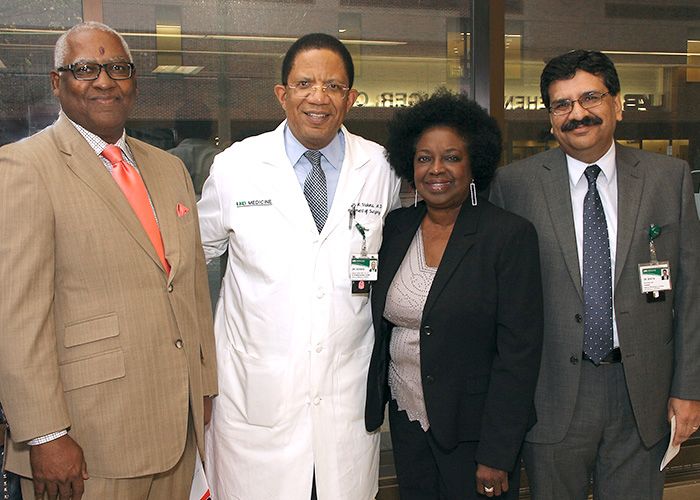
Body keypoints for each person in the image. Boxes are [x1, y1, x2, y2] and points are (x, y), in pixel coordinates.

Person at [0, 21, 217, 500]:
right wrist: (46, 435)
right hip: (86, 441)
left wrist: (203, 388)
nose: (104, 81)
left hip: (177, 431)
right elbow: (16, 319)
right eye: (85, 69)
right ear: (57, 83)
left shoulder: (170, 168)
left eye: (118, 68)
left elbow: (191, 288)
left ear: (134, 81)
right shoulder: (23, 169)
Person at [197, 33, 401, 499]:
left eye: (333, 86)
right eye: (305, 83)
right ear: (282, 93)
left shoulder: (381, 168)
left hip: (344, 404)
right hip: (255, 403)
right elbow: (192, 261)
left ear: (350, 98)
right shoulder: (236, 167)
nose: (318, 96)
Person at [490, 50, 700, 499]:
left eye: (590, 98)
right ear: (550, 118)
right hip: (551, 394)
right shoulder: (515, 185)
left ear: (617, 104)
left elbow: (692, 293)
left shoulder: (668, 178)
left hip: (642, 392)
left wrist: (688, 388)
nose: (577, 114)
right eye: (562, 104)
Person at [365, 89, 544, 499]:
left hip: (475, 435)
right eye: (424, 157)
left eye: (451, 156)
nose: (436, 169)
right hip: (407, 424)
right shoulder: (396, 229)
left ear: (474, 162)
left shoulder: (508, 236)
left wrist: (497, 453)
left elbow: (518, 355)